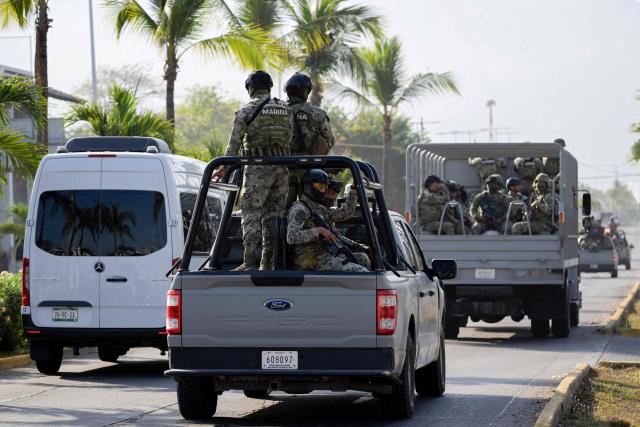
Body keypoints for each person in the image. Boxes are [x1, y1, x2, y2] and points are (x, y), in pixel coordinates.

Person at [212, 70, 293, 271]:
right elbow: (289, 138)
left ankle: (248, 261)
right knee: (272, 218)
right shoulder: (286, 109)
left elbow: (234, 144)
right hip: (282, 169)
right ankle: (268, 264)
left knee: (251, 214)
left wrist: (223, 168)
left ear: (251, 88)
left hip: (257, 169)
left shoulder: (247, 111)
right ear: (269, 86)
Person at [287, 169, 370, 272]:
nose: (323, 190)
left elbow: (345, 213)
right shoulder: (300, 209)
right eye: (320, 186)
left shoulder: (318, 208)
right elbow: (291, 237)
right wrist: (319, 231)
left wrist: (353, 189)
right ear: (308, 186)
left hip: (325, 254)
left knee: (362, 259)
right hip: (310, 259)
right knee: (361, 272)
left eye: (325, 187)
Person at [284, 73, 335, 207]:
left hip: (282, 168)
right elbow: (329, 140)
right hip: (310, 171)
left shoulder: (280, 111)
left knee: (281, 213)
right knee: (309, 212)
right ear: (305, 91)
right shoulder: (317, 113)